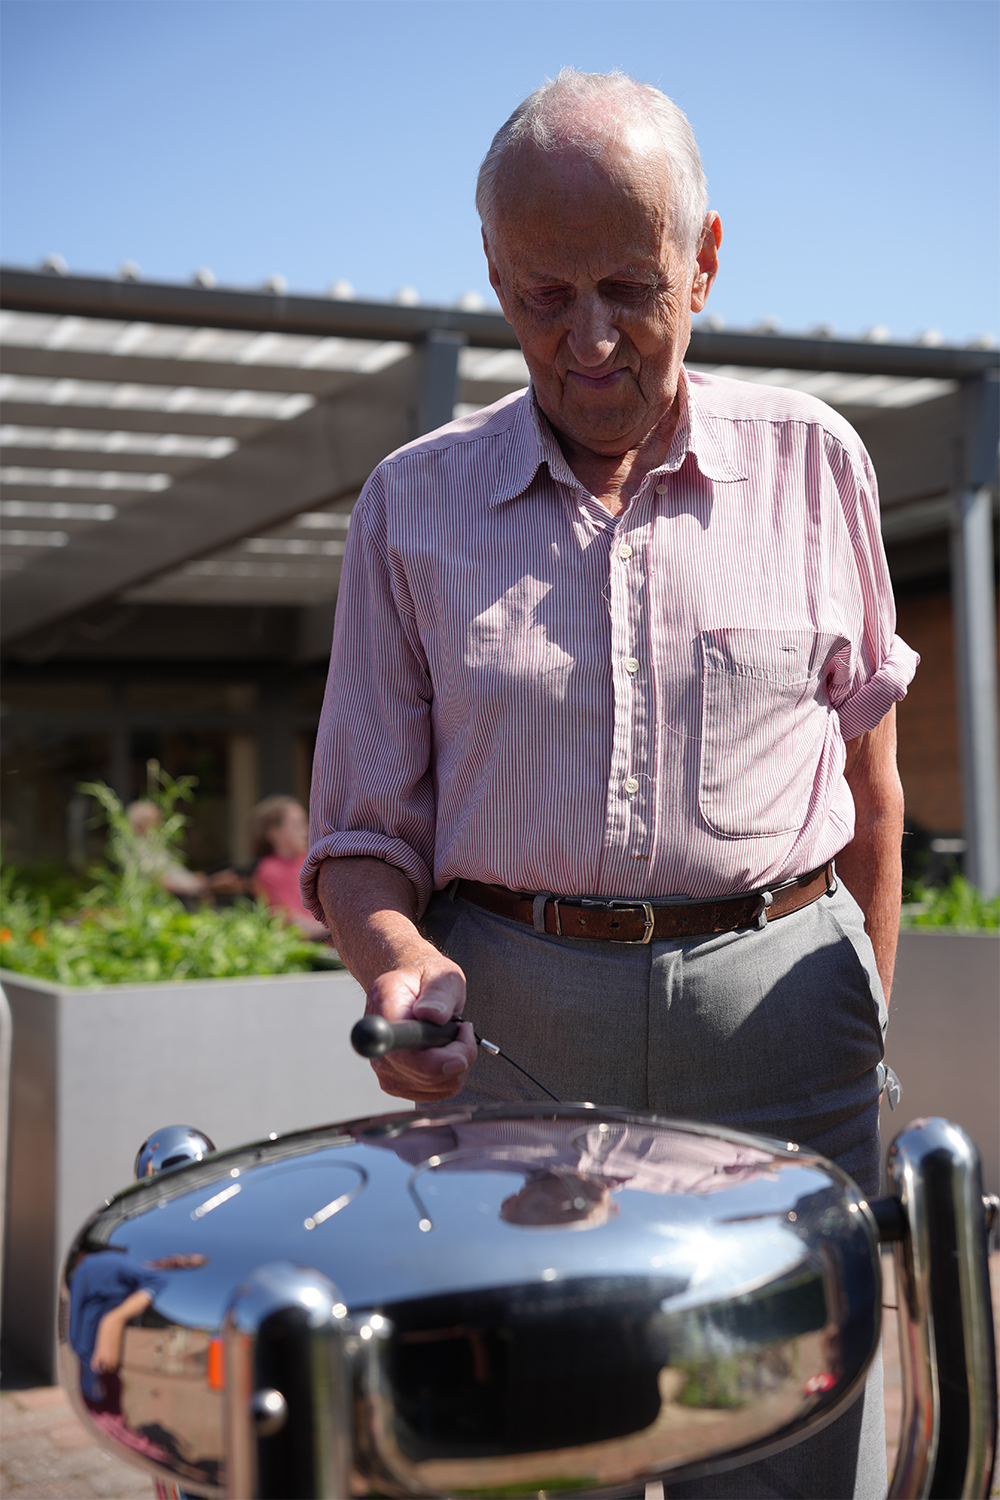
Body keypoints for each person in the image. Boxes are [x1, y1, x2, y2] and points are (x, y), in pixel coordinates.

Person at [303, 69, 917, 1497]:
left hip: (786, 1038)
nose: (585, 342)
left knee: (782, 1446)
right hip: (520, 1037)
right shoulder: (411, 503)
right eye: (540, 295)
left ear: (706, 258)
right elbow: (357, 836)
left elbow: (873, 795)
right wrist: (395, 966)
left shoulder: (816, 463)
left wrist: (862, 1034)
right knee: (532, 1446)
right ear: (493, 275)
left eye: (631, 289)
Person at [250, 795, 330, 941]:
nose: (305, 831)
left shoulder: (312, 860)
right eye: (296, 825)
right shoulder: (268, 871)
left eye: (305, 824)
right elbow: (295, 925)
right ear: (273, 832)